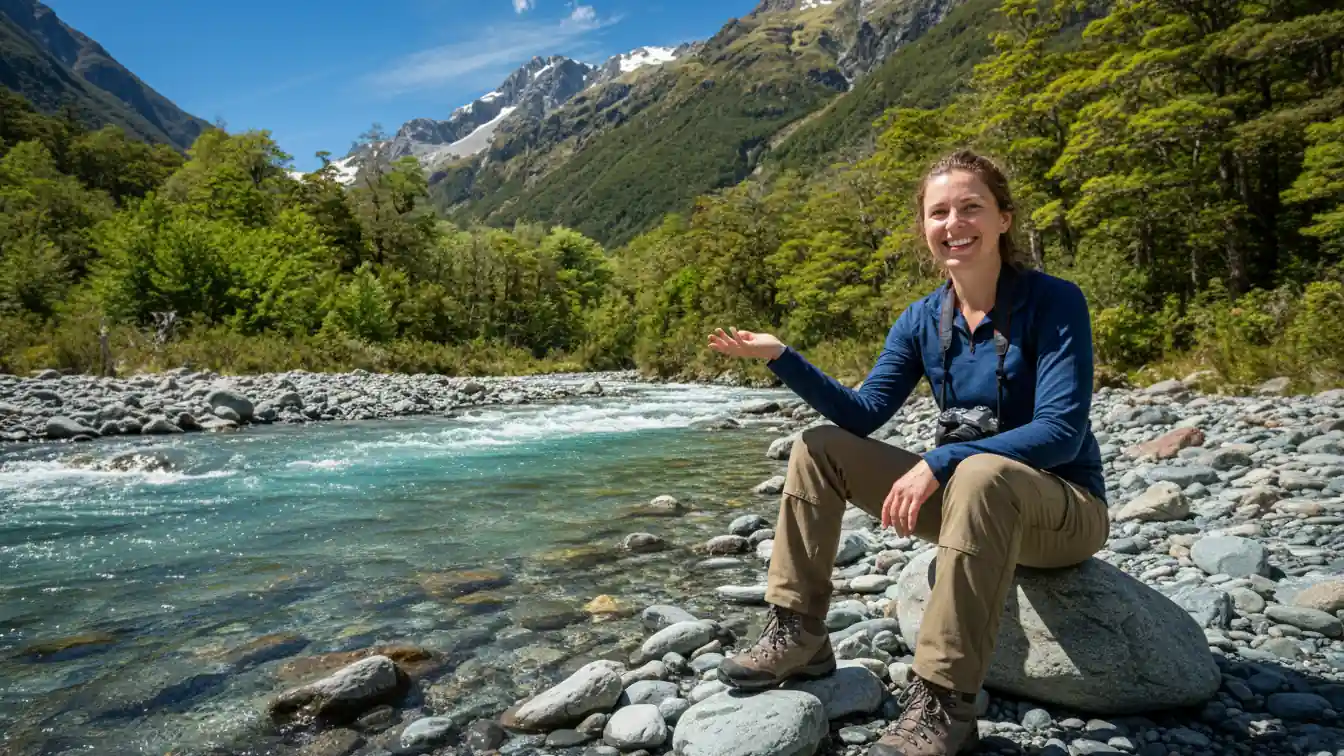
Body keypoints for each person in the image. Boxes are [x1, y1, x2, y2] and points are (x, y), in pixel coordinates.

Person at [705, 149, 1109, 756]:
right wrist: (781, 357)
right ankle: (799, 632)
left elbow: (1062, 431)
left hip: (1062, 511)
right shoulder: (922, 320)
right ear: (924, 227)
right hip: (970, 507)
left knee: (979, 472)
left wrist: (939, 461)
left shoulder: (1055, 302)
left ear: (1003, 218)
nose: (954, 223)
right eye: (938, 212)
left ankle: (945, 705)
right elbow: (863, 412)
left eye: (970, 208)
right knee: (818, 447)